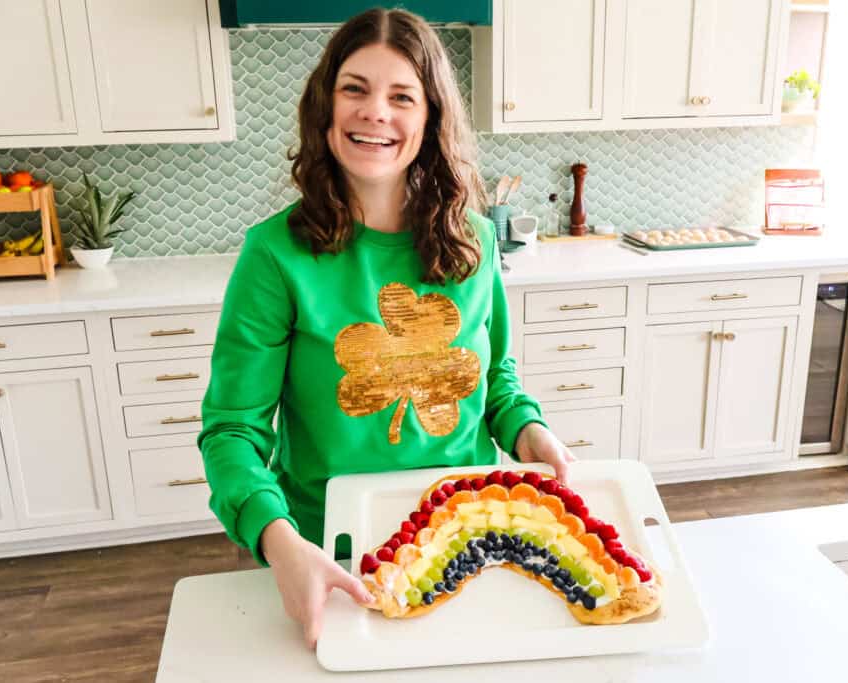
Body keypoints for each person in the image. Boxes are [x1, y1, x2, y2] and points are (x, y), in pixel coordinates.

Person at [197, 8, 574, 649]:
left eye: (402, 96)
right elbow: (232, 431)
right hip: (335, 548)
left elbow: (497, 380)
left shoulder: (475, 241)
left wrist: (528, 429)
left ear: (429, 119)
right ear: (325, 106)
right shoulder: (274, 255)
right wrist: (277, 538)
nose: (376, 112)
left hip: (469, 527)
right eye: (355, 89)